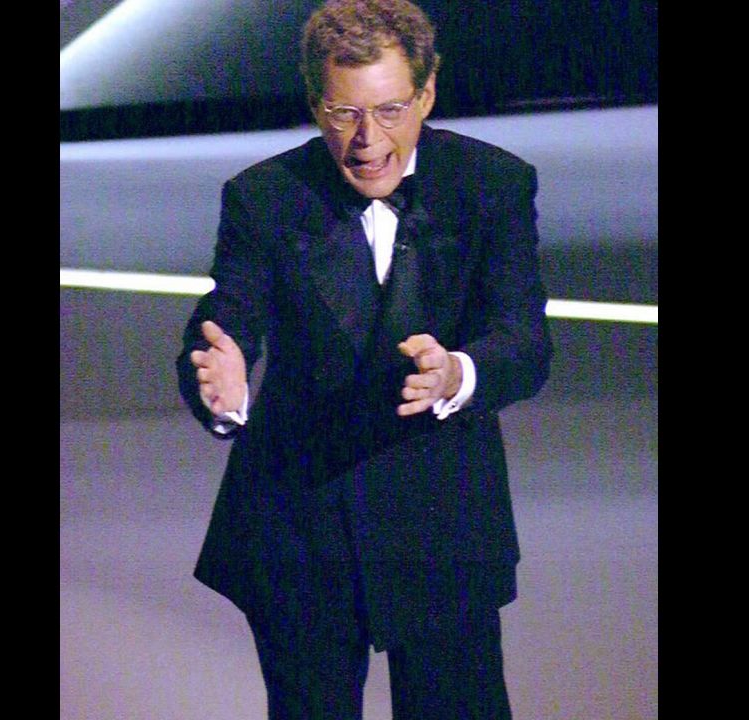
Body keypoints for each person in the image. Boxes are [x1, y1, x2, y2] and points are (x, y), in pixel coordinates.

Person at [176, 1, 551, 717]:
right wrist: (222, 387)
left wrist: (459, 373)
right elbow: (227, 318)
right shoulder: (263, 197)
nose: (367, 141)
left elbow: (525, 340)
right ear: (315, 104)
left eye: (389, 110)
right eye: (344, 113)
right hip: (302, 524)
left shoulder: (492, 183)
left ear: (428, 93)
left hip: (442, 523)